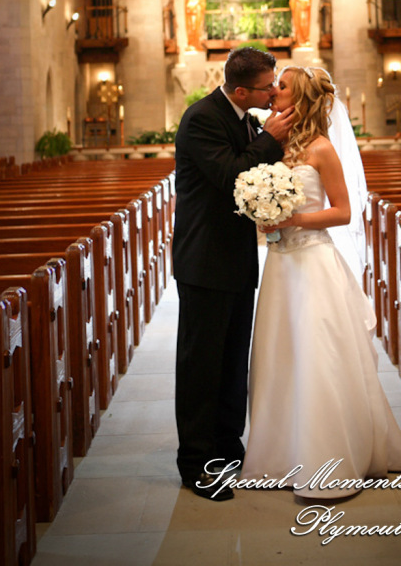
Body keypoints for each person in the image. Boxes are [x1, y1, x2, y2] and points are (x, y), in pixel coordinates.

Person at [242, 66, 401, 496]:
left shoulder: (322, 148)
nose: (273, 91)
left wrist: (294, 219)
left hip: (313, 262)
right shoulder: (270, 146)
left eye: (281, 86)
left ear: (299, 99)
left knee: (318, 356)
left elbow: (343, 212)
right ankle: (279, 455)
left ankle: (330, 455)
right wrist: (263, 218)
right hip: (280, 266)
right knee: (280, 355)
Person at [172, 46, 294, 501]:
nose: (275, 91)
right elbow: (232, 175)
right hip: (204, 260)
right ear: (242, 89)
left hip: (237, 258)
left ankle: (226, 448)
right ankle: (196, 464)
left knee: (231, 362)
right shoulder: (201, 117)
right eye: (269, 86)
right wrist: (271, 139)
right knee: (201, 365)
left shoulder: (246, 118)